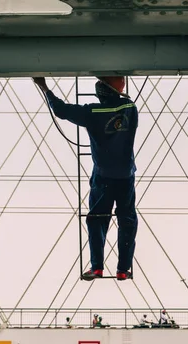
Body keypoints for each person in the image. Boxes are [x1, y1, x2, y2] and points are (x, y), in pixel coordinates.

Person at [32, 76, 138, 281]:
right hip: (126, 175)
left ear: (102, 94)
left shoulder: (92, 112)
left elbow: (61, 110)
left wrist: (44, 87)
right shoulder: (130, 108)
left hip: (103, 176)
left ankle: (97, 267)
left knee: (96, 219)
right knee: (127, 221)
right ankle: (123, 269)